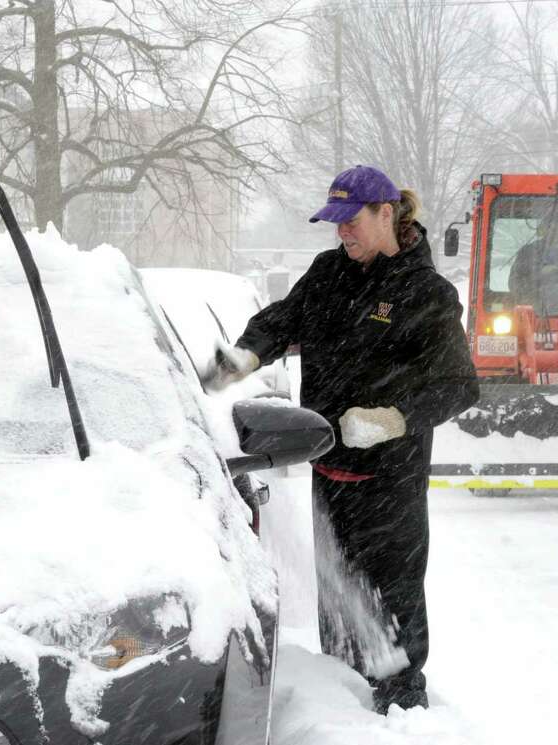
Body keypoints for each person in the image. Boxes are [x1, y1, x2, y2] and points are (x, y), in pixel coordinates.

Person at [203, 165, 479, 712]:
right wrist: (248, 352)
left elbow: (459, 386)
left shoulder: (428, 293)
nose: (341, 234)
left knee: (391, 597)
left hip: (390, 480)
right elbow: (285, 318)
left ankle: (401, 706)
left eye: (350, 222)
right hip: (327, 471)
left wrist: (392, 418)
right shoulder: (330, 272)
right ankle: (343, 700)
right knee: (339, 600)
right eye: (334, 224)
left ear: (385, 214)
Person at [507, 217, 558, 313]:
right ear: (542, 228)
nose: (553, 228)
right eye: (549, 224)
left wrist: (555, 270)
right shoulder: (527, 251)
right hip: (530, 310)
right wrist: (528, 296)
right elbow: (515, 282)